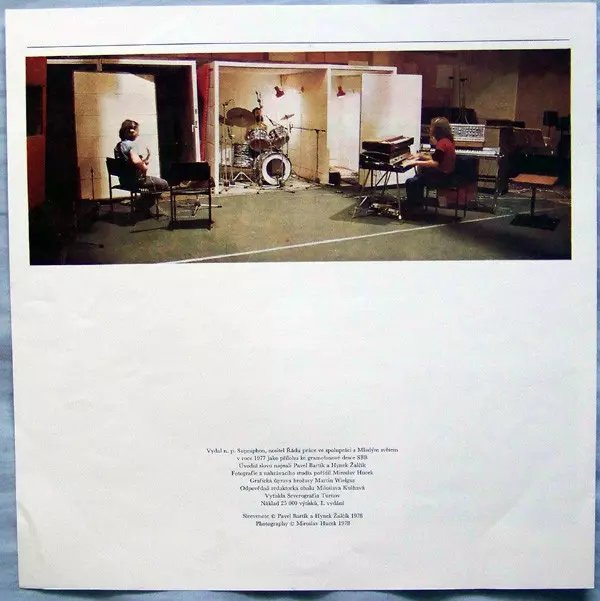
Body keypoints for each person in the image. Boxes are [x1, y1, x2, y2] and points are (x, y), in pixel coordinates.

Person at [114, 119, 168, 215]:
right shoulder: (131, 145)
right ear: (131, 132)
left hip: (124, 180)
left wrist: (141, 162)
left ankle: (141, 205)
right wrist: (144, 166)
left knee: (151, 186)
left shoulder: (118, 146)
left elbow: (128, 162)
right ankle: (140, 205)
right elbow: (135, 161)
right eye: (137, 131)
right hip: (135, 181)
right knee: (163, 184)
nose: (138, 134)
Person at [402, 117, 457, 213]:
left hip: (442, 177)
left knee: (411, 182)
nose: (430, 129)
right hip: (447, 174)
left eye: (432, 127)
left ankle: (414, 208)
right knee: (417, 178)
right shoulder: (447, 141)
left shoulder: (442, 143)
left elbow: (435, 163)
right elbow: (437, 158)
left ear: (437, 130)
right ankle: (418, 204)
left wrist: (415, 162)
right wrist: (420, 156)